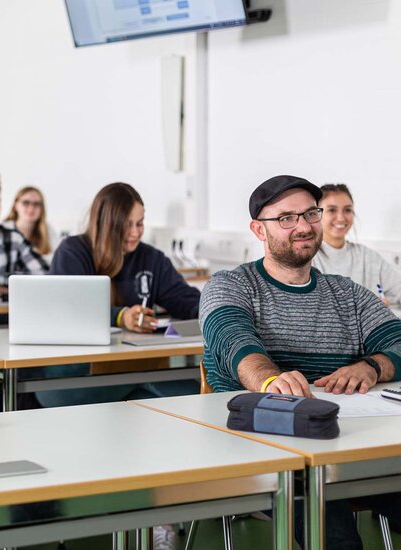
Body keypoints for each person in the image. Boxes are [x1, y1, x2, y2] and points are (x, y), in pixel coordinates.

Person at [200, 174, 401, 549]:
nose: (304, 227)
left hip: (349, 448)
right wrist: (269, 380)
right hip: (267, 454)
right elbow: (233, 339)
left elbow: (398, 341)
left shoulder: (348, 294)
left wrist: (371, 366)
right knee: (335, 535)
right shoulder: (231, 285)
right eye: (287, 218)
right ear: (258, 229)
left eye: (310, 214)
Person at [51, 182, 201, 332]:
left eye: (139, 223)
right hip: (84, 353)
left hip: (140, 352)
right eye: (127, 225)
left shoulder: (152, 259)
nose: (135, 233)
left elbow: (184, 299)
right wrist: (121, 317)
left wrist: (212, 310)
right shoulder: (71, 253)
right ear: (106, 224)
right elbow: (70, 307)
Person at [312, 183, 401, 306]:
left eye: (347, 210)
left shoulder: (368, 257)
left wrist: (386, 304)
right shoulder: (309, 258)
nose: (341, 218)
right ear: (317, 214)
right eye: (332, 210)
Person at [3, 186, 61, 259]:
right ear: (16, 205)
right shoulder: (3, 231)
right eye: (26, 203)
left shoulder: (48, 230)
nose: (31, 208)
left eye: (36, 204)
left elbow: (58, 259)